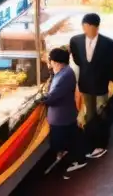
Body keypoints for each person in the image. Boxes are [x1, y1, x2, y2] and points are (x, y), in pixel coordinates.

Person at [68, 12, 113, 159]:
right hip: (85, 84)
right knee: (89, 114)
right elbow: (78, 60)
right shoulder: (76, 41)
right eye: (83, 26)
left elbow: (111, 63)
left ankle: (102, 142)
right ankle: (91, 141)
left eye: (86, 26)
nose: (84, 29)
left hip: (101, 84)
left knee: (102, 112)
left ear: (94, 27)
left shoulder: (108, 43)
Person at [42, 47, 88, 178]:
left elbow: (52, 97)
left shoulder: (64, 76)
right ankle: (76, 158)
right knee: (71, 138)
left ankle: (74, 162)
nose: (49, 63)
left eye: (50, 61)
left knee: (60, 141)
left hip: (61, 117)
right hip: (66, 114)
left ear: (56, 62)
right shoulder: (64, 72)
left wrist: (42, 99)